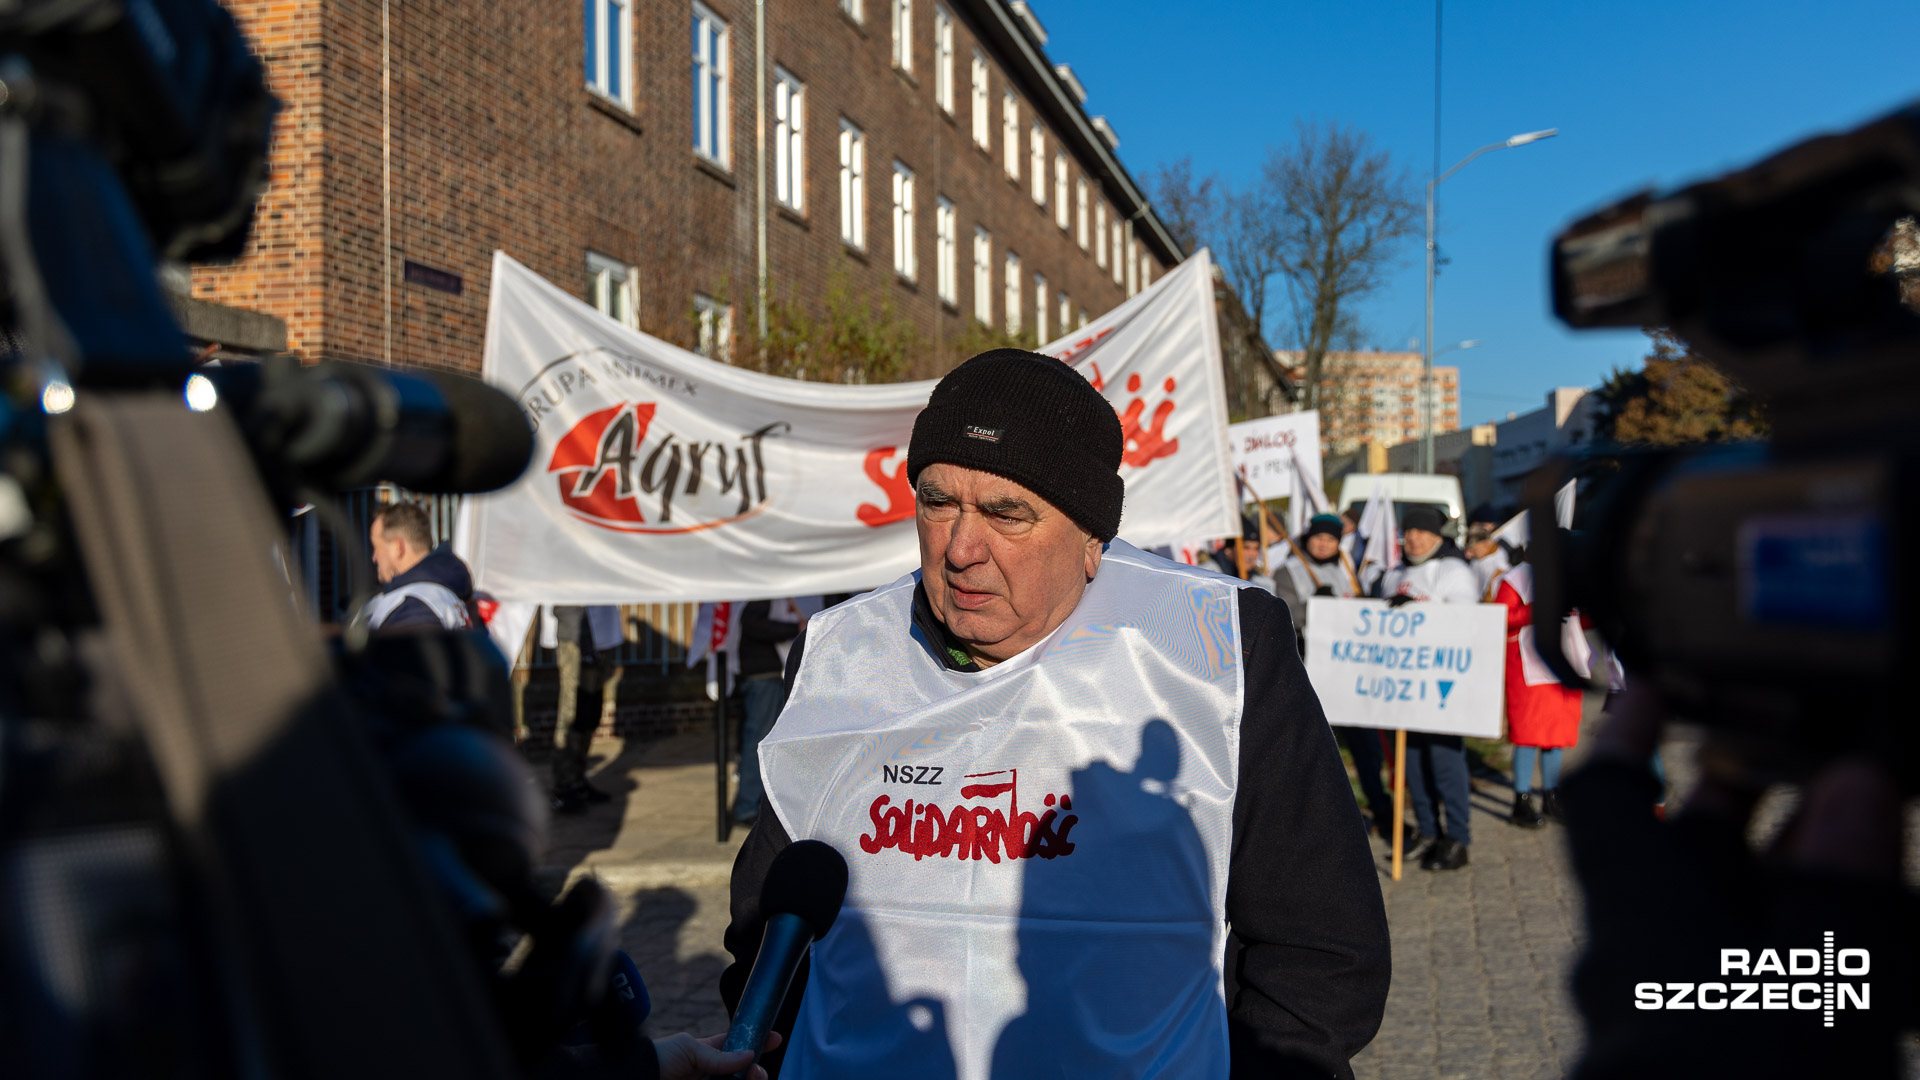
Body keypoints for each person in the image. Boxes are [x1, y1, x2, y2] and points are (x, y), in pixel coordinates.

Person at [721, 350, 1389, 1079]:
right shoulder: (838, 652)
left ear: (1093, 539)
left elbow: (1323, 953)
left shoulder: (1216, 647)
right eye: (938, 502)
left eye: (1008, 514)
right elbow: (764, 928)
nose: (962, 549)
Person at [1378, 504, 1480, 871]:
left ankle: (1457, 837)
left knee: (1444, 762)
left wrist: (1419, 612)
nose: (1415, 539)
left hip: (1440, 688)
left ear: (1437, 537)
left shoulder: (1452, 572)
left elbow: (1465, 622)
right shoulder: (1393, 575)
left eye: (1422, 532)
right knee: (1412, 763)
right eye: (1409, 532)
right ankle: (1427, 830)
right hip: (1403, 688)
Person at [1493, 558, 1584, 828]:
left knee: (1555, 733)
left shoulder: (1569, 573)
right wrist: (1536, 610)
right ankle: (1521, 800)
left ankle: (1551, 795)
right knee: (1528, 734)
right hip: (1526, 667)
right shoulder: (1516, 579)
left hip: (1563, 663)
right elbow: (1500, 617)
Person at [732, 597, 808, 826]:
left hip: (767, 674)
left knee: (764, 741)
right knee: (759, 741)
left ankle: (755, 805)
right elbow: (754, 624)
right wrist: (794, 628)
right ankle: (747, 807)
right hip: (763, 675)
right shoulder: (762, 595)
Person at [549, 604, 625, 813]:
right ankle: (562, 786)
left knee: (590, 711)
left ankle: (578, 779)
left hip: (600, 635)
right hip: (574, 634)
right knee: (571, 711)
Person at [364, 501, 474, 631]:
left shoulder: (413, 607)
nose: (374, 557)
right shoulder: (440, 593)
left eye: (377, 547)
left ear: (397, 548)